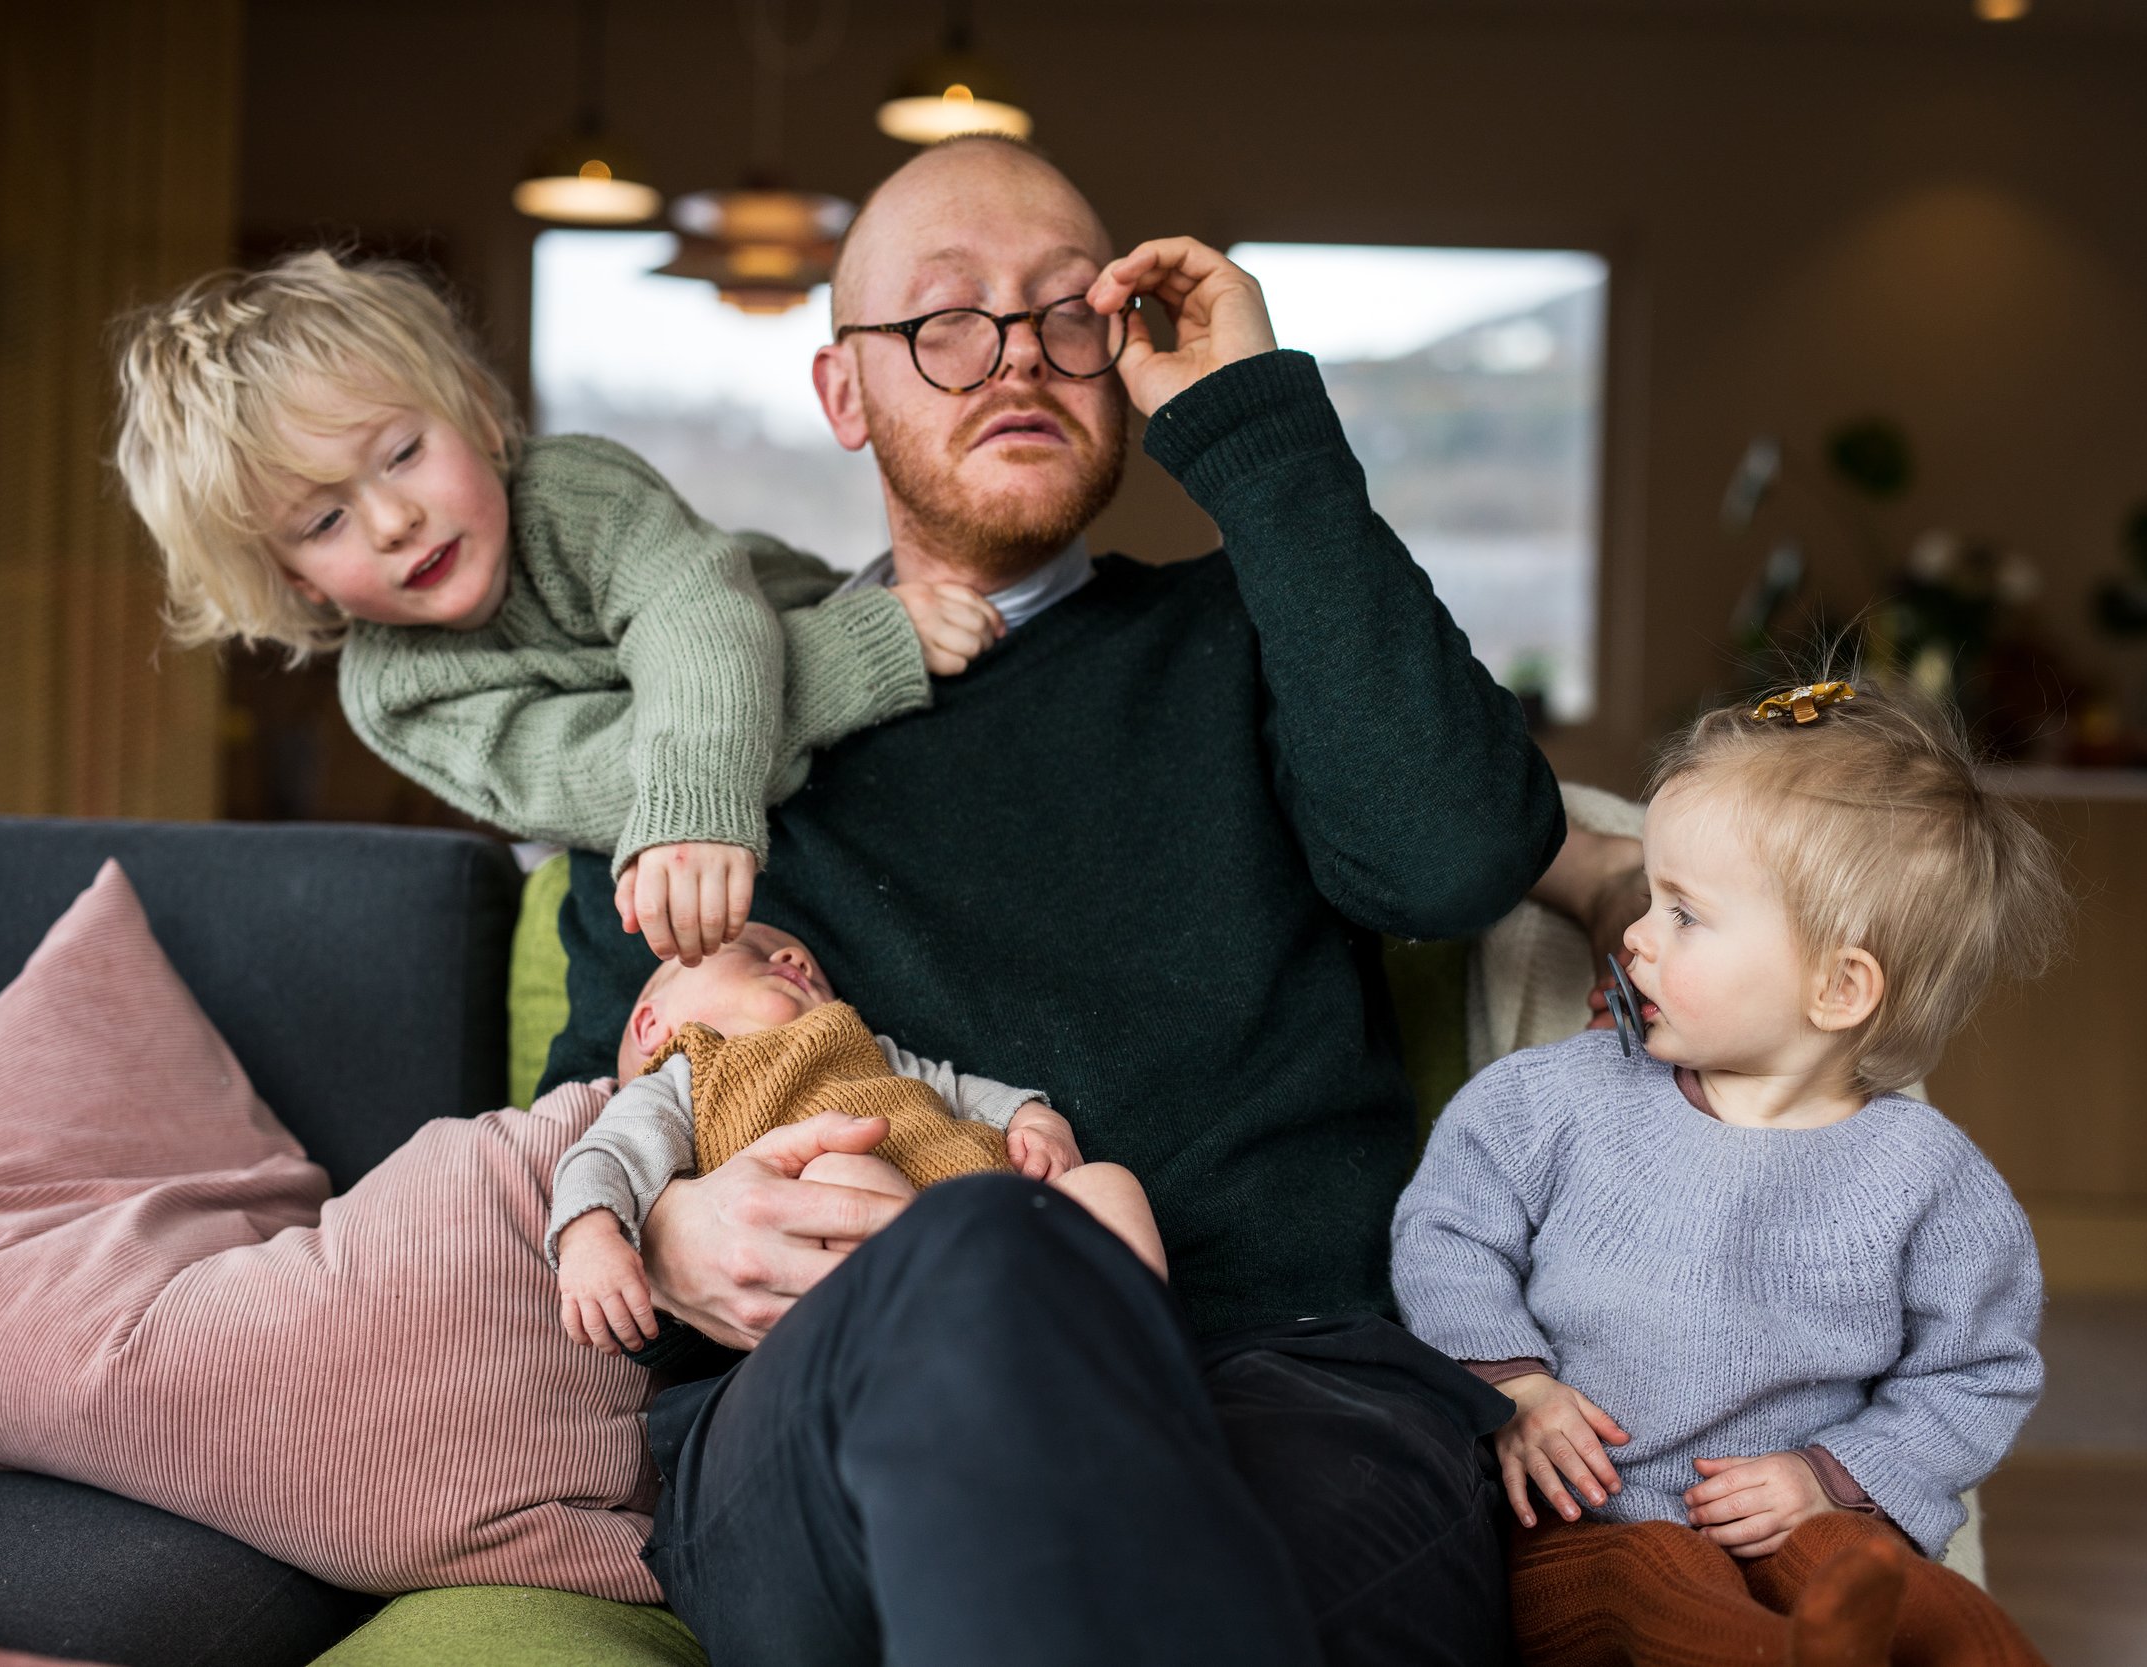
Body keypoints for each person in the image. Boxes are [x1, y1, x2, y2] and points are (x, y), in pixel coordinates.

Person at [506, 135, 1649, 1667]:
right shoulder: (701, 739)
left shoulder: (1247, 643)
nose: (1016, 358)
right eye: (944, 319)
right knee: (990, 1247)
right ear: (843, 391)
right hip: (827, 1391)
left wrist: (1255, 420)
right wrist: (663, 1233)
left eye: (1067, 313)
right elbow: (579, 1117)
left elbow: (1459, 855)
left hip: (1277, 1376)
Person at [1392, 681, 2064, 1667]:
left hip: (1793, 1518)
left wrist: (1829, 1476)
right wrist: (1517, 1387)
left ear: (1838, 985)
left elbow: (1977, 1371)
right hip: (1591, 1523)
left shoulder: (1928, 1181)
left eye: (1684, 913)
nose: (1634, 933)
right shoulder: (1555, 1098)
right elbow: (1446, 1230)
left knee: (1885, 1582)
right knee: (1658, 1580)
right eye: (1649, 897)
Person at [110, 249, 1007, 966]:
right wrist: (853, 653)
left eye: (403, 453)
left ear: (477, 416)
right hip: (852, 665)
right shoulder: (397, 694)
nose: (392, 520)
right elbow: (603, 781)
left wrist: (700, 794)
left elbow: (698, 621)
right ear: (298, 581)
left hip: (858, 620)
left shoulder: (574, 494)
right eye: (324, 520)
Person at [549, 921, 1166, 1353]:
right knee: (838, 1175)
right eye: (750, 950)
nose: (794, 959)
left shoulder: (869, 1047)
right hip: (893, 1255)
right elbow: (606, 1155)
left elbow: (958, 1089)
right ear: (652, 1024)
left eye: (804, 962)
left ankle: (1131, 1355)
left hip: (997, 1218)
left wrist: (1034, 1121)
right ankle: (963, 1348)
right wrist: (589, 1236)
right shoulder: (680, 1077)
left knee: (1107, 1185)